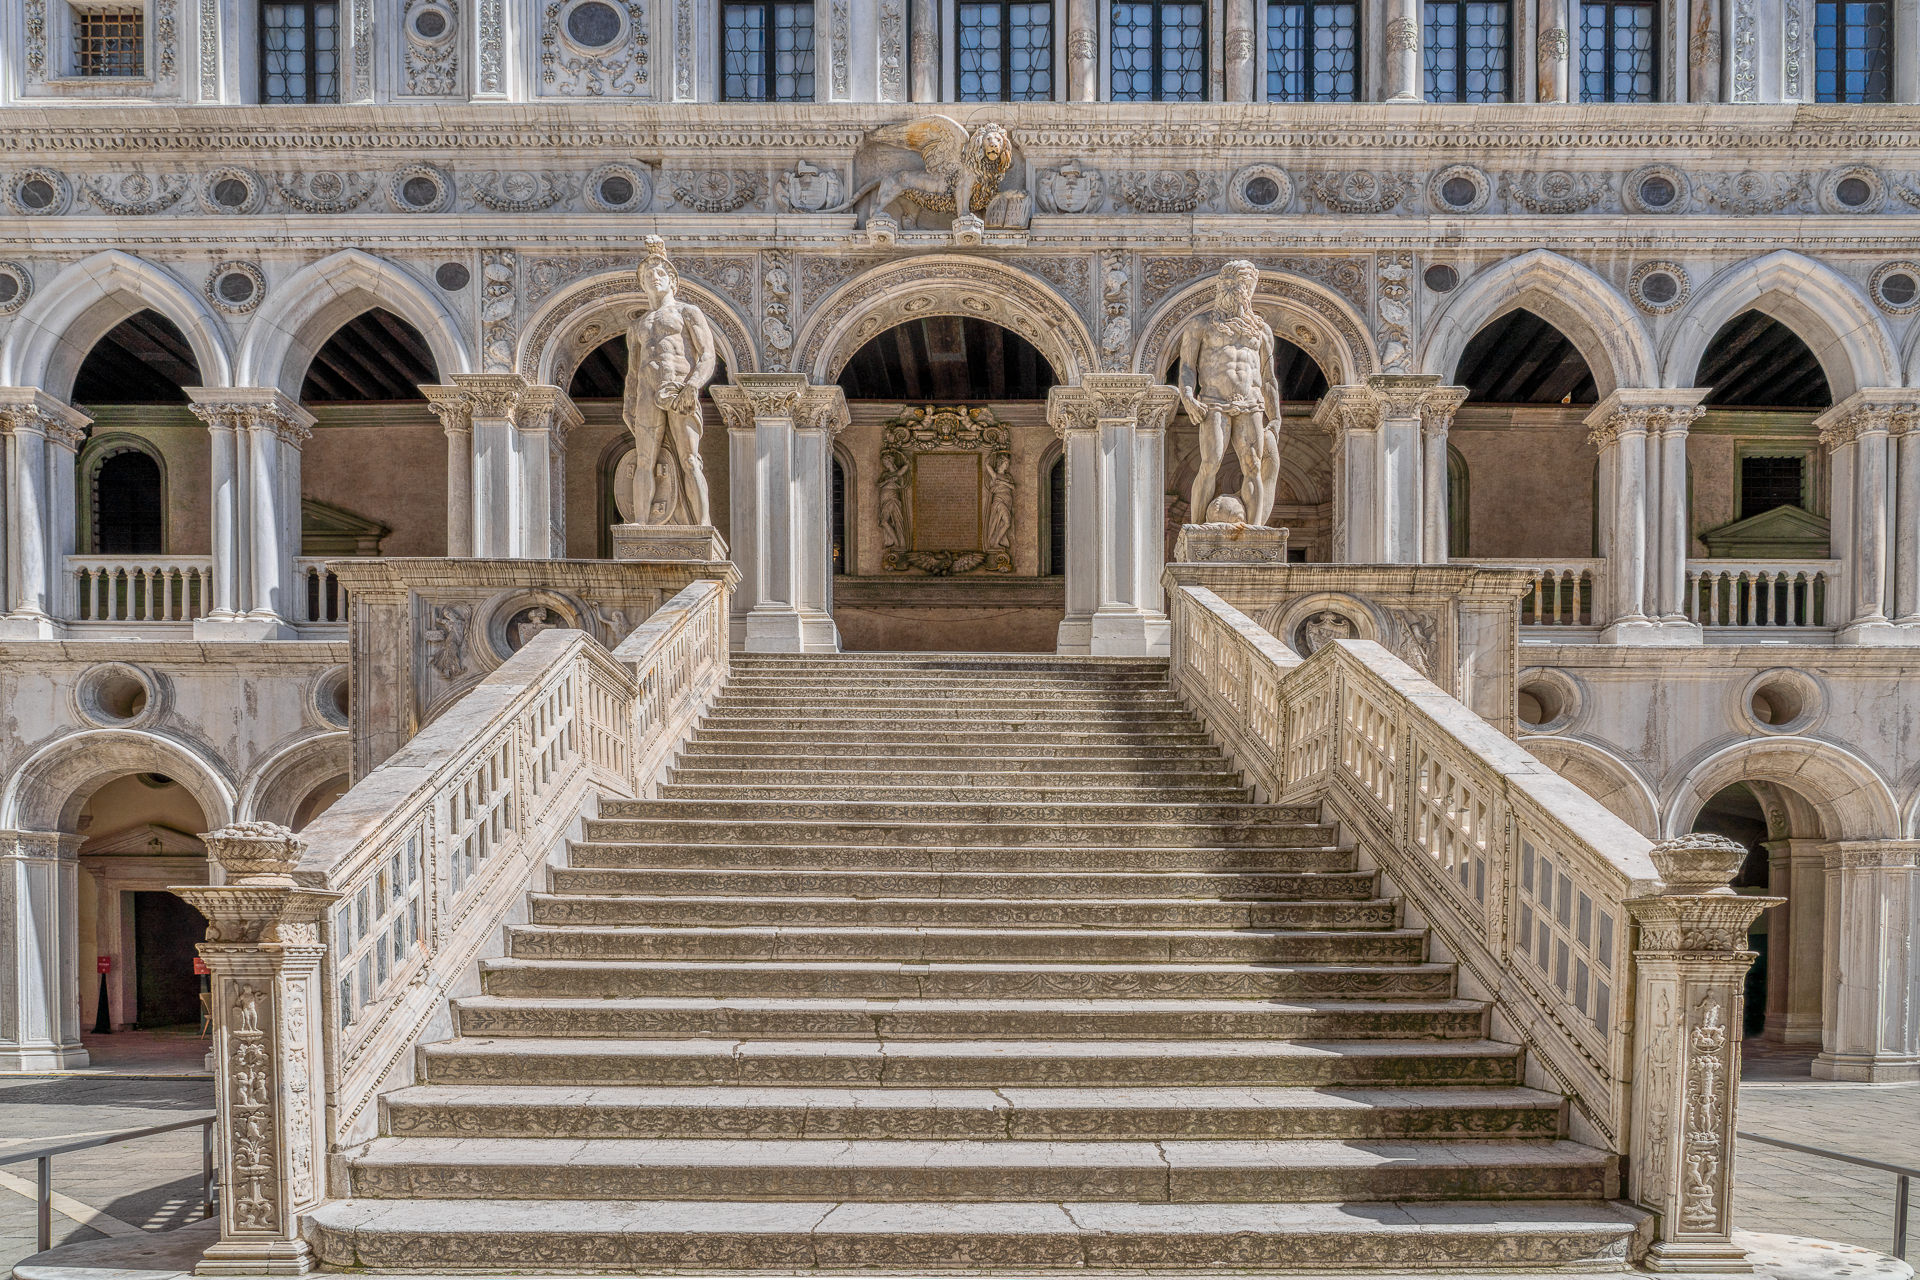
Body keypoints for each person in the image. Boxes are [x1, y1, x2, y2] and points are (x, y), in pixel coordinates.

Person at [1175, 261, 1283, 527]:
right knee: (1210, 463)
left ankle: (1254, 530)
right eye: (1229, 284)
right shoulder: (1201, 325)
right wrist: (1187, 395)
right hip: (1214, 401)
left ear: (1250, 289)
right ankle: (1197, 529)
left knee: (1253, 466)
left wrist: (1276, 416)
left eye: (1241, 285)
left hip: (1251, 403)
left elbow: (1268, 377)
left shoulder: (1261, 331)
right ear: (1220, 287)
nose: (1234, 290)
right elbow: (1187, 366)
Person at [623, 236, 717, 527]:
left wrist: (693, 386)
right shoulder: (637, 325)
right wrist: (628, 404)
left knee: (690, 460)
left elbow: (707, 354)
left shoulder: (687, 312)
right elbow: (632, 372)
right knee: (644, 460)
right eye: (648, 275)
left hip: (679, 388)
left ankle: (703, 524)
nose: (655, 278)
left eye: (661, 273)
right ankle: (640, 522)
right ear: (642, 284)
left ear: (673, 282)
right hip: (646, 391)